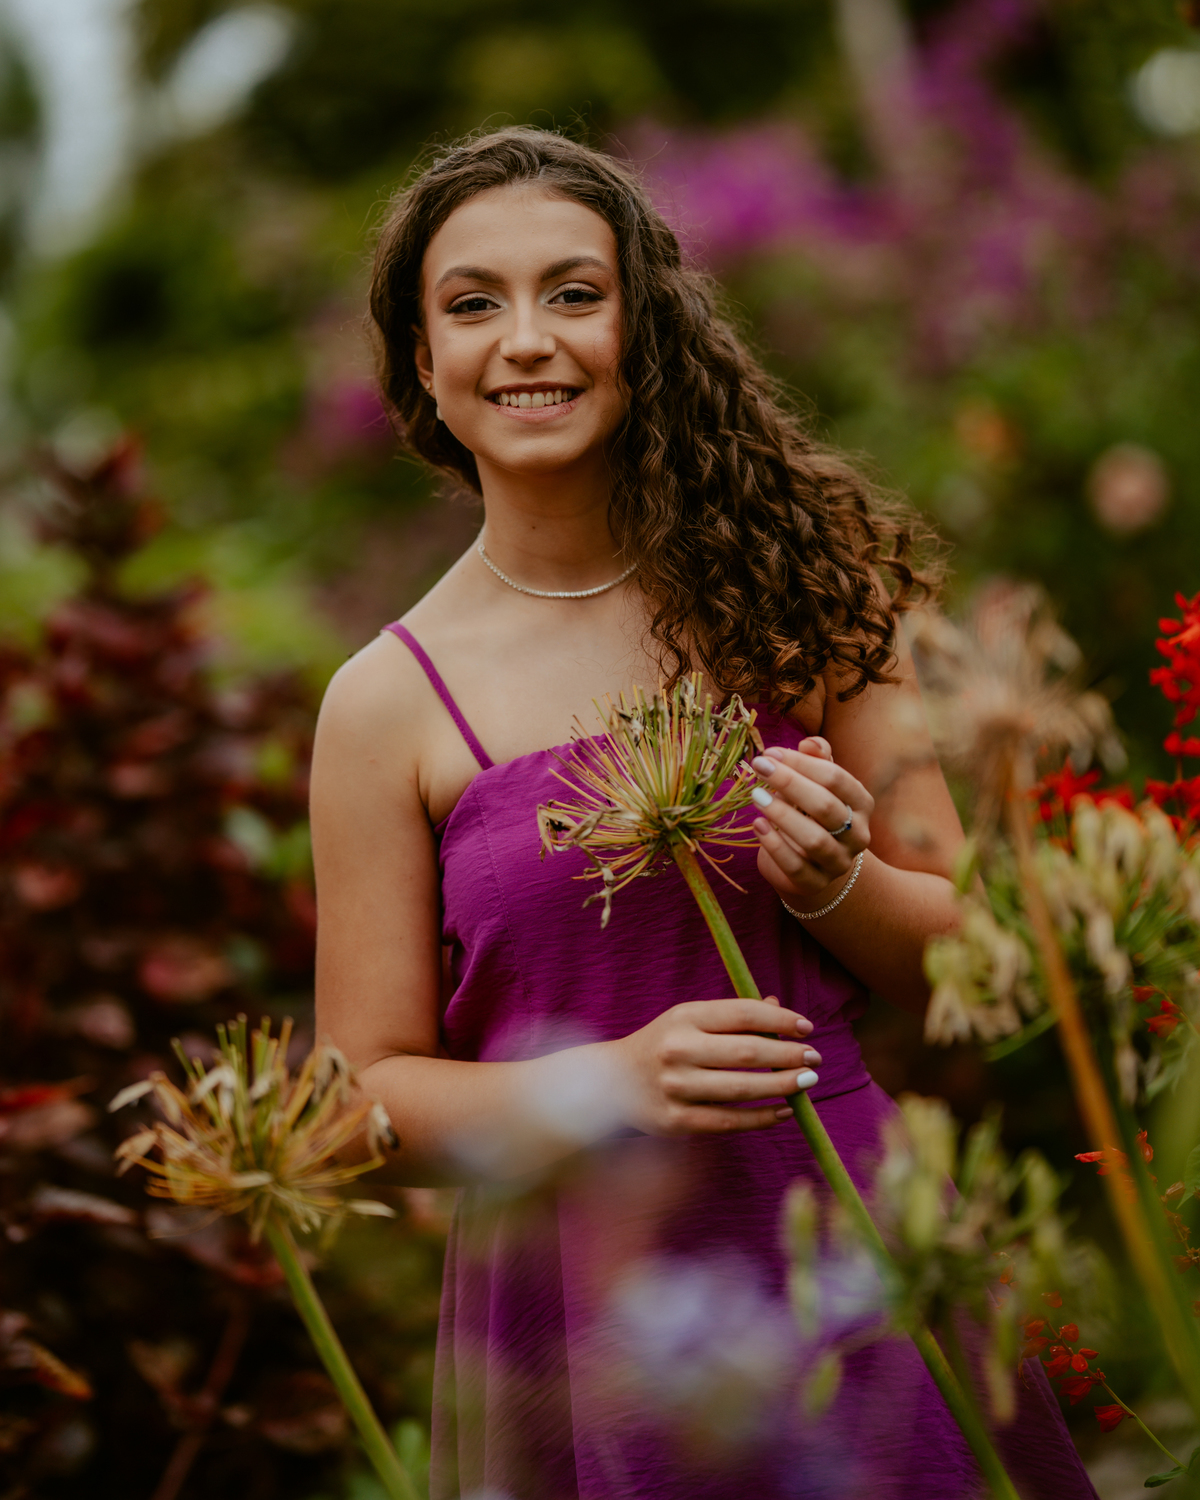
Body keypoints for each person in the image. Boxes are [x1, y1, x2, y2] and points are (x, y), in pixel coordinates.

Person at [311, 127, 1097, 1500]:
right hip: (575, 1304)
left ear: (644, 329)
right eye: (473, 304)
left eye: (574, 292)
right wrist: (600, 1087)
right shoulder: (383, 704)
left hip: (841, 1244)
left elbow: (974, 958)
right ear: (422, 367)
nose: (527, 341)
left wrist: (832, 882)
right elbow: (358, 1101)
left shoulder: (807, 595)